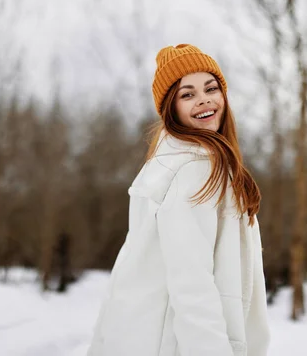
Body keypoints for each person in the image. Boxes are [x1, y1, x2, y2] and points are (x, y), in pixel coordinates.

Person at [87, 44, 270, 356]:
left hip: (141, 336)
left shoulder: (168, 165)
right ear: (170, 108)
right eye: (187, 94)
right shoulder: (195, 171)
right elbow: (192, 284)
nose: (203, 99)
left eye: (211, 88)